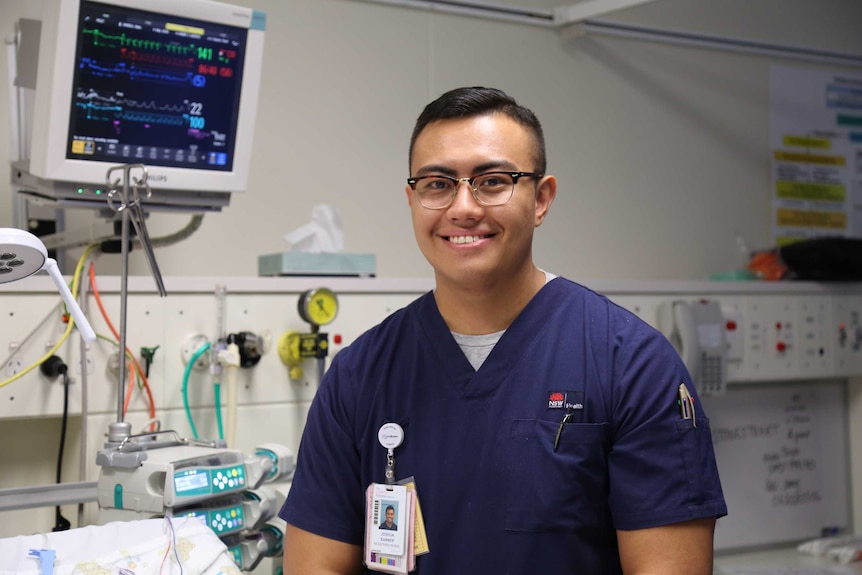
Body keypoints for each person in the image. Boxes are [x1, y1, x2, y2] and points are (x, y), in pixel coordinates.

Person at [280, 86, 727, 574]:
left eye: (493, 181)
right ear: (412, 200)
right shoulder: (359, 375)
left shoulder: (633, 364)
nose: (464, 207)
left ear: (541, 198)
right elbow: (316, 565)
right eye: (437, 184)